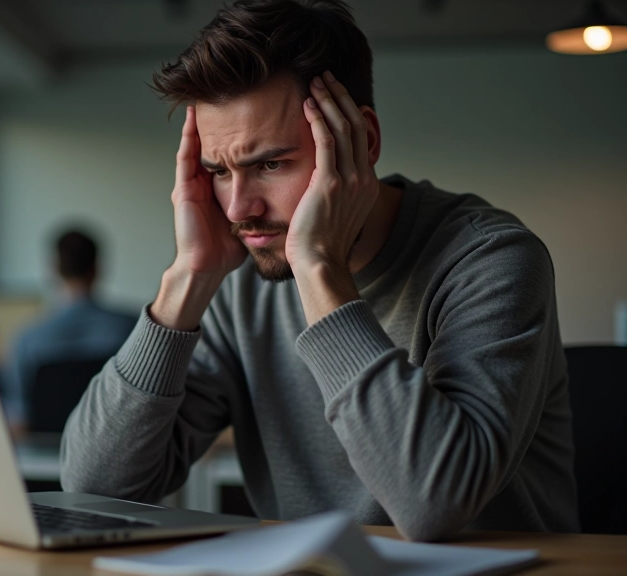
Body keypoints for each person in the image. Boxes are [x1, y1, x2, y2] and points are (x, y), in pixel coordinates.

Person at [60, 0, 578, 541]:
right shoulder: (240, 288)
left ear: (363, 142)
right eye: (218, 171)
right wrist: (187, 277)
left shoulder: (492, 259)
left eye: (270, 165)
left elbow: (435, 503)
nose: (238, 209)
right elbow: (93, 488)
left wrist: (319, 269)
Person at [2, 229, 136, 430]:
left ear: (54, 269)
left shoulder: (28, 339)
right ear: (96, 269)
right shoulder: (133, 329)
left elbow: (19, 415)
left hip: (44, 454)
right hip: (114, 448)